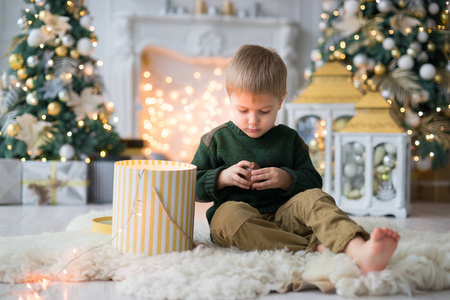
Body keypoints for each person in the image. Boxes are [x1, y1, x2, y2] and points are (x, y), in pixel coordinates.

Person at [191, 44, 399, 273]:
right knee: (229, 218)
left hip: (286, 216)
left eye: (264, 111)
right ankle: (314, 248)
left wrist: (286, 179)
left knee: (317, 199)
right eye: (243, 110)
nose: (253, 120)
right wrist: (221, 177)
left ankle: (360, 249)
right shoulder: (216, 140)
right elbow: (192, 187)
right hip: (241, 222)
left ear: (281, 101)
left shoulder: (289, 139)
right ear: (230, 98)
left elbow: (313, 181)